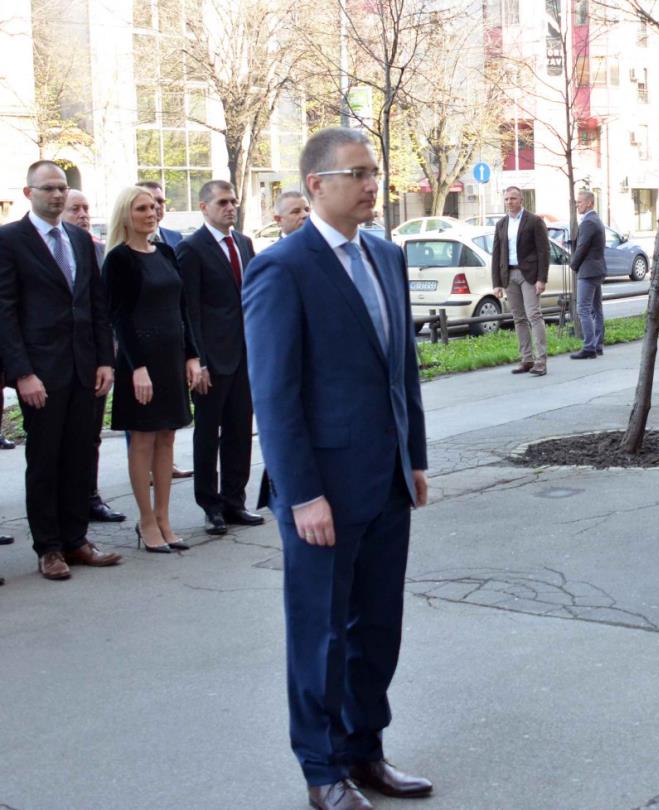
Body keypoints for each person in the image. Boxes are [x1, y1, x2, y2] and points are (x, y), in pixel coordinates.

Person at [243, 127, 433, 810]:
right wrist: (301, 495)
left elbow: (400, 367)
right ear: (316, 185)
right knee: (321, 634)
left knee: (377, 626)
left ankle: (366, 751)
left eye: (374, 171)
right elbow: (275, 392)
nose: (371, 184)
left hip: (385, 481)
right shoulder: (282, 267)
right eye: (357, 173)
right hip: (320, 493)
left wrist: (414, 458)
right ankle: (322, 770)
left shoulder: (386, 255)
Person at [0, 160, 121, 580]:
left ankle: (76, 540)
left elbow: (96, 305)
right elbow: (6, 311)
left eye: (62, 188)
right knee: (46, 459)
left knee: (79, 458)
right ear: (28, 192)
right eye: (48, 188)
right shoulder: (10, 240)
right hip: (41, 373)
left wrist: (105, 359)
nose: (57, 194)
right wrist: (22, 373)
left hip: (85, 368)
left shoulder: (80, 239)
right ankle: (48, 548)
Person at [104, 187, 199, 553]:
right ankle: (146, 522)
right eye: (142, 208)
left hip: (171, 357)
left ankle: (164, 518)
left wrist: (192, 356)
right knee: (143, 439)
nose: (151, 213)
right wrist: (136, 367)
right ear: (126, 214)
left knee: (168, 438)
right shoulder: (119, 260)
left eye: (154, 207)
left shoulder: (166, 252)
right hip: (140, 362)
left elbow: (182, 308)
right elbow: (120, 318)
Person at [177, 180, 262, 536]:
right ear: (204, 207)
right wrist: (196, 357)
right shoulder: (191, 248)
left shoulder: (243, 243)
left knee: (241, 431)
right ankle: (210, 506)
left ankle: (234, 501)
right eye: (223, 202)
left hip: (245, 354)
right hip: (212, 359)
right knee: (208, 434)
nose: (230, 208)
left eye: (234, 202)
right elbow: (188, 308)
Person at [61, 189, 127, 523]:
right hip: (55, 362)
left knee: (90, 436)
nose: (83, 214)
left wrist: (107, 356)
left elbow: (104, 309)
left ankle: (90, 496)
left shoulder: (98, 252)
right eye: (76, 209)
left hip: (93, 360)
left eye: (86, 208)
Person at [136, 179, 191, 480]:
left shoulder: (172, 242)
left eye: (159, 202)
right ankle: (144, 470)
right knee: (144, 428)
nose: (156, 208)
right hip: (143, 350)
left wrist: (190, 352)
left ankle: (163, 466)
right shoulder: (121, 252)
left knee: (168, 427)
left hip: (172, 347)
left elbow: (181, 300)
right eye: (146, 204)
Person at [491, 185, 550, 376]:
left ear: (521, 200)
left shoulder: (534, 221)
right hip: (509, 275)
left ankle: (541, 361)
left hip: (530, 275)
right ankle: (526, 359)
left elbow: (544, 251)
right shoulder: (501, 224)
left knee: (534, 315)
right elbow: (497, 254)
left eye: (513, 198)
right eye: (507, 199)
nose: (509, 202)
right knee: (518, 318)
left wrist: (542, 278)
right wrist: (497, 283)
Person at [569, 189, 606, 359]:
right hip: (597, 269)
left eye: (580, 202)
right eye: (577, 202)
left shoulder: (588, 222)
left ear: (589, 203)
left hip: (588, 270)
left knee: (583, 308)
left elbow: (582, 247)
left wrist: (573, 265)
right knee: (596, 309)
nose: (577, 205)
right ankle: (597, 345)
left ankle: (589, 347)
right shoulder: (596, 219)